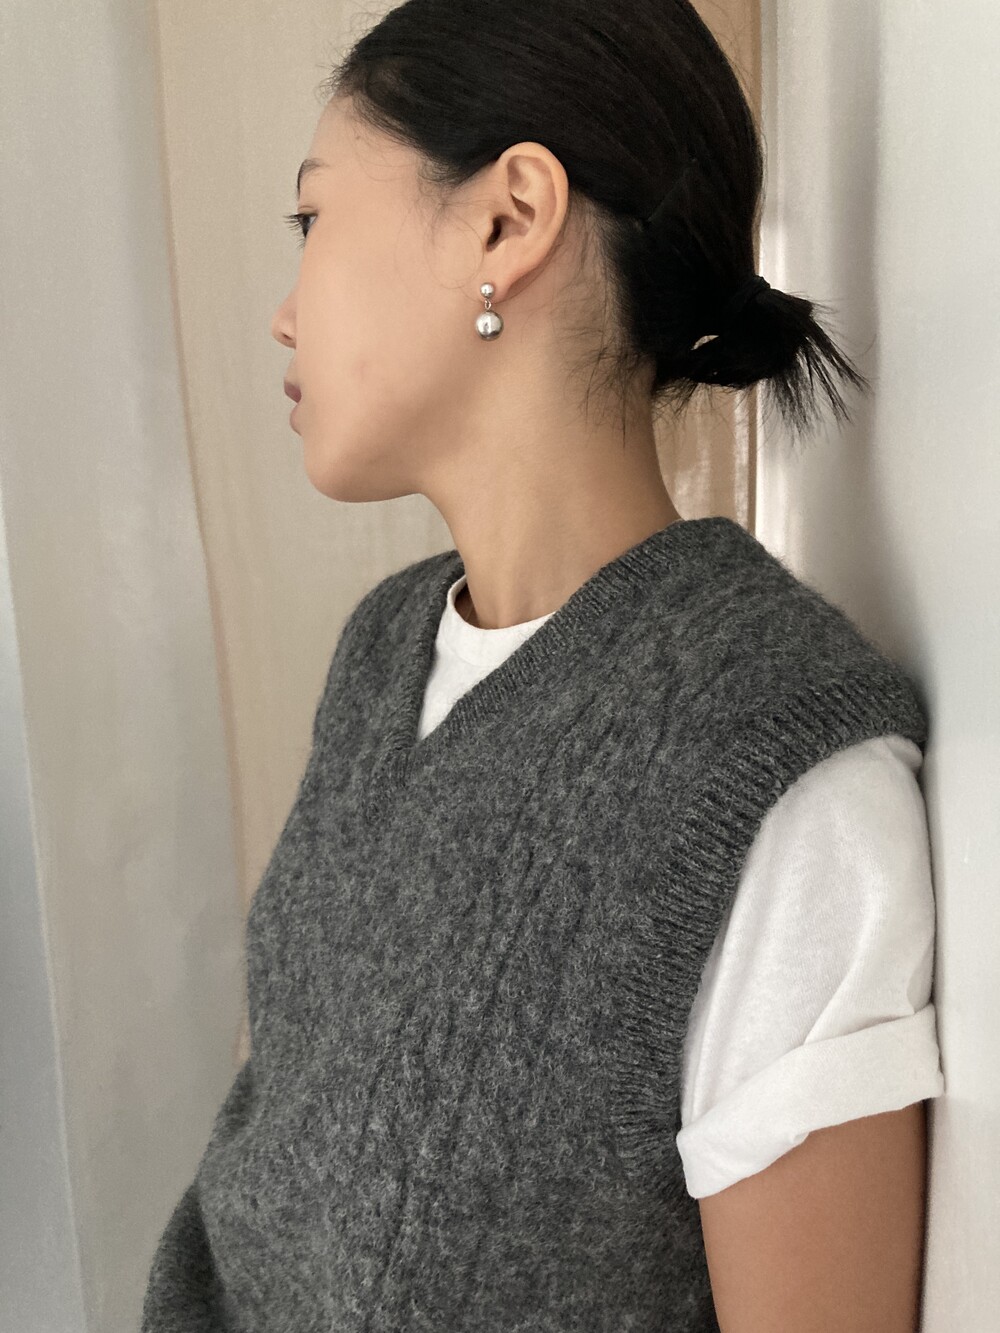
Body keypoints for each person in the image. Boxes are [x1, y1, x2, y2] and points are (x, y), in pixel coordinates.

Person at [141, 2, 945, 1329]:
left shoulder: (777, 776)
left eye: (312, 217)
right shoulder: (384, 651)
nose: (283, 315)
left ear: (508, 220)